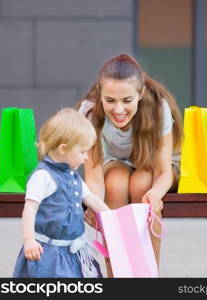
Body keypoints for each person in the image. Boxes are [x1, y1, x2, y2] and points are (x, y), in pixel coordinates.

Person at [76, 53, 183, 276]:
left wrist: (155, 194)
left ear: (140, 93)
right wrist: (94, 205)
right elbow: (94, 175)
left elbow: (163, 171)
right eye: (110, 100)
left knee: (141, 185)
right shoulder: (89, 112)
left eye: (127, 100)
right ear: (99, 92)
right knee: (115, 184)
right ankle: (118, 277)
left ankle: (147, 276)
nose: (118, 110)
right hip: (114, 163)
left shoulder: (157, 109)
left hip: (153, 164)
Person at [13, 108, 110, 278]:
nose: (86, 157)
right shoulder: (43, 176)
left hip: (74, 251)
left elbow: (92, 199)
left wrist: (113, 219)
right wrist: (29, 240)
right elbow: (30, 209)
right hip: (50, 255)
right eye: (82, 152)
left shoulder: (72, 176)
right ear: (63, 149)